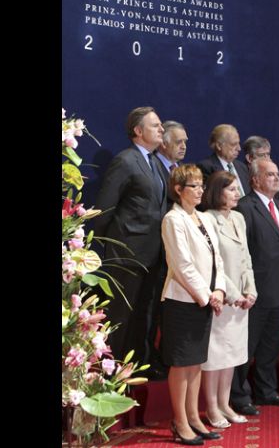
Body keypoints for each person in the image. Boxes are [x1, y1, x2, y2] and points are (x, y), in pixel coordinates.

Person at [93, 106, 169, 378]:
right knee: (120, 316)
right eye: (156, 125)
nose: (162, 130)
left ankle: (133, 369)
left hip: (154, 254)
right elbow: (104, 209)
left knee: (142, 317)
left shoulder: (157, 162)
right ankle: (107, 374)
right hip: (127, 254)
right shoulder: (125, 161)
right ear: (138, 131)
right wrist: (114, 246)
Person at [160, 164, 226, 444]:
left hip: (205, 299)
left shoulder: (204, 218)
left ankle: (194, 417)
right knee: (181, 362)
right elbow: (182, 265)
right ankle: (180, 421)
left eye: (201, 185)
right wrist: (205, 294)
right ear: (178, 189)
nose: (200, 190)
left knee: (196, 362)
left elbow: (218, 258)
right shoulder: (173, 220)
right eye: (194, 186)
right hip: (182, 300)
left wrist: (219, 289)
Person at [231, 159, 279, 415]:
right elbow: (241, 253)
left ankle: (266, 392)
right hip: (255, 291)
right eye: (270, 174)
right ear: (255, 179)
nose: (276, 178)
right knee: (246, 349)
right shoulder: (246, 207)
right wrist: (246, 288)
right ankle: (239, 395)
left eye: (277, 174)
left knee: (270, 348)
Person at [199, 171, 257, 428]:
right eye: (231, 189)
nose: (237, 193)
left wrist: (250, 291)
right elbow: (214, 264)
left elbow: (246, 259)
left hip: (242, 299)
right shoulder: (207, 219)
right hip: (221, 298)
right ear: (217, 191)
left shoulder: (239, 218)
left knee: (232, 355)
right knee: (215, 356)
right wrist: (234, 294)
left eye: (237, 188)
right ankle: (212, 407)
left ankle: (225, 404)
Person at [197, 124, 250, 198]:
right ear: (219, 146)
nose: (239, 148)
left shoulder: (242, 167)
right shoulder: (206, 167)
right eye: (233, 144)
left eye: (238, 143)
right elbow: (210, 198)